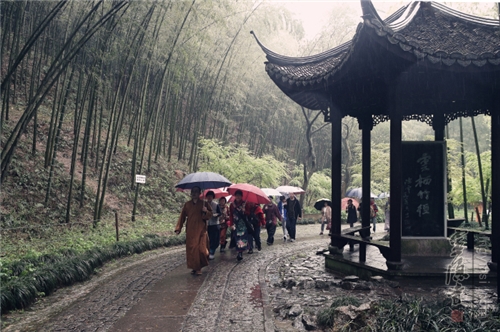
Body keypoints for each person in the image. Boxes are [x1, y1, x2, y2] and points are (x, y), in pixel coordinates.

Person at [175, 186, 212, 275]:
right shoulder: (187, 204)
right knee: (192, 250)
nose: (194, 193)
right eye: (193, 191)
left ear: (199, 193)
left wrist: (206, 211)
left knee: (202, 250)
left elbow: (210, 215)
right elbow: (182, 216)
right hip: (191, 230)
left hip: (201, 230)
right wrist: (178, 228)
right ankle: (196, 268)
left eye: (196, 191)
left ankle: (198, 266)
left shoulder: (204, 204)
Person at [228, 190, 249, 261]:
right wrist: (231, 224)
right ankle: (239, 251)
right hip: (235, 224)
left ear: (241, 196)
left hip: (243, 224)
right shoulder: (232, 205)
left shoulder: (245, 204)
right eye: (236, 195)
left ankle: (240, 252)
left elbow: (248, 213)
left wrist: (244, 211)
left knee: (242, 237)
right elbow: (231, 215)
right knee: (237, 238)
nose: (238, 197)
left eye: (239, 195)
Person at [205, 191, 221, 260]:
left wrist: (216, 215)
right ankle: (208, 252)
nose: (209, 198)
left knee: (215, 239)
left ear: (213, 197)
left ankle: (212, 252)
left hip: (215, 224)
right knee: (207, 240)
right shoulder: (203, 204)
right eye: (208, 196)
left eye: (211, 196)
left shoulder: (216, 205)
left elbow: (219, 213)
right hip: (207, 225)